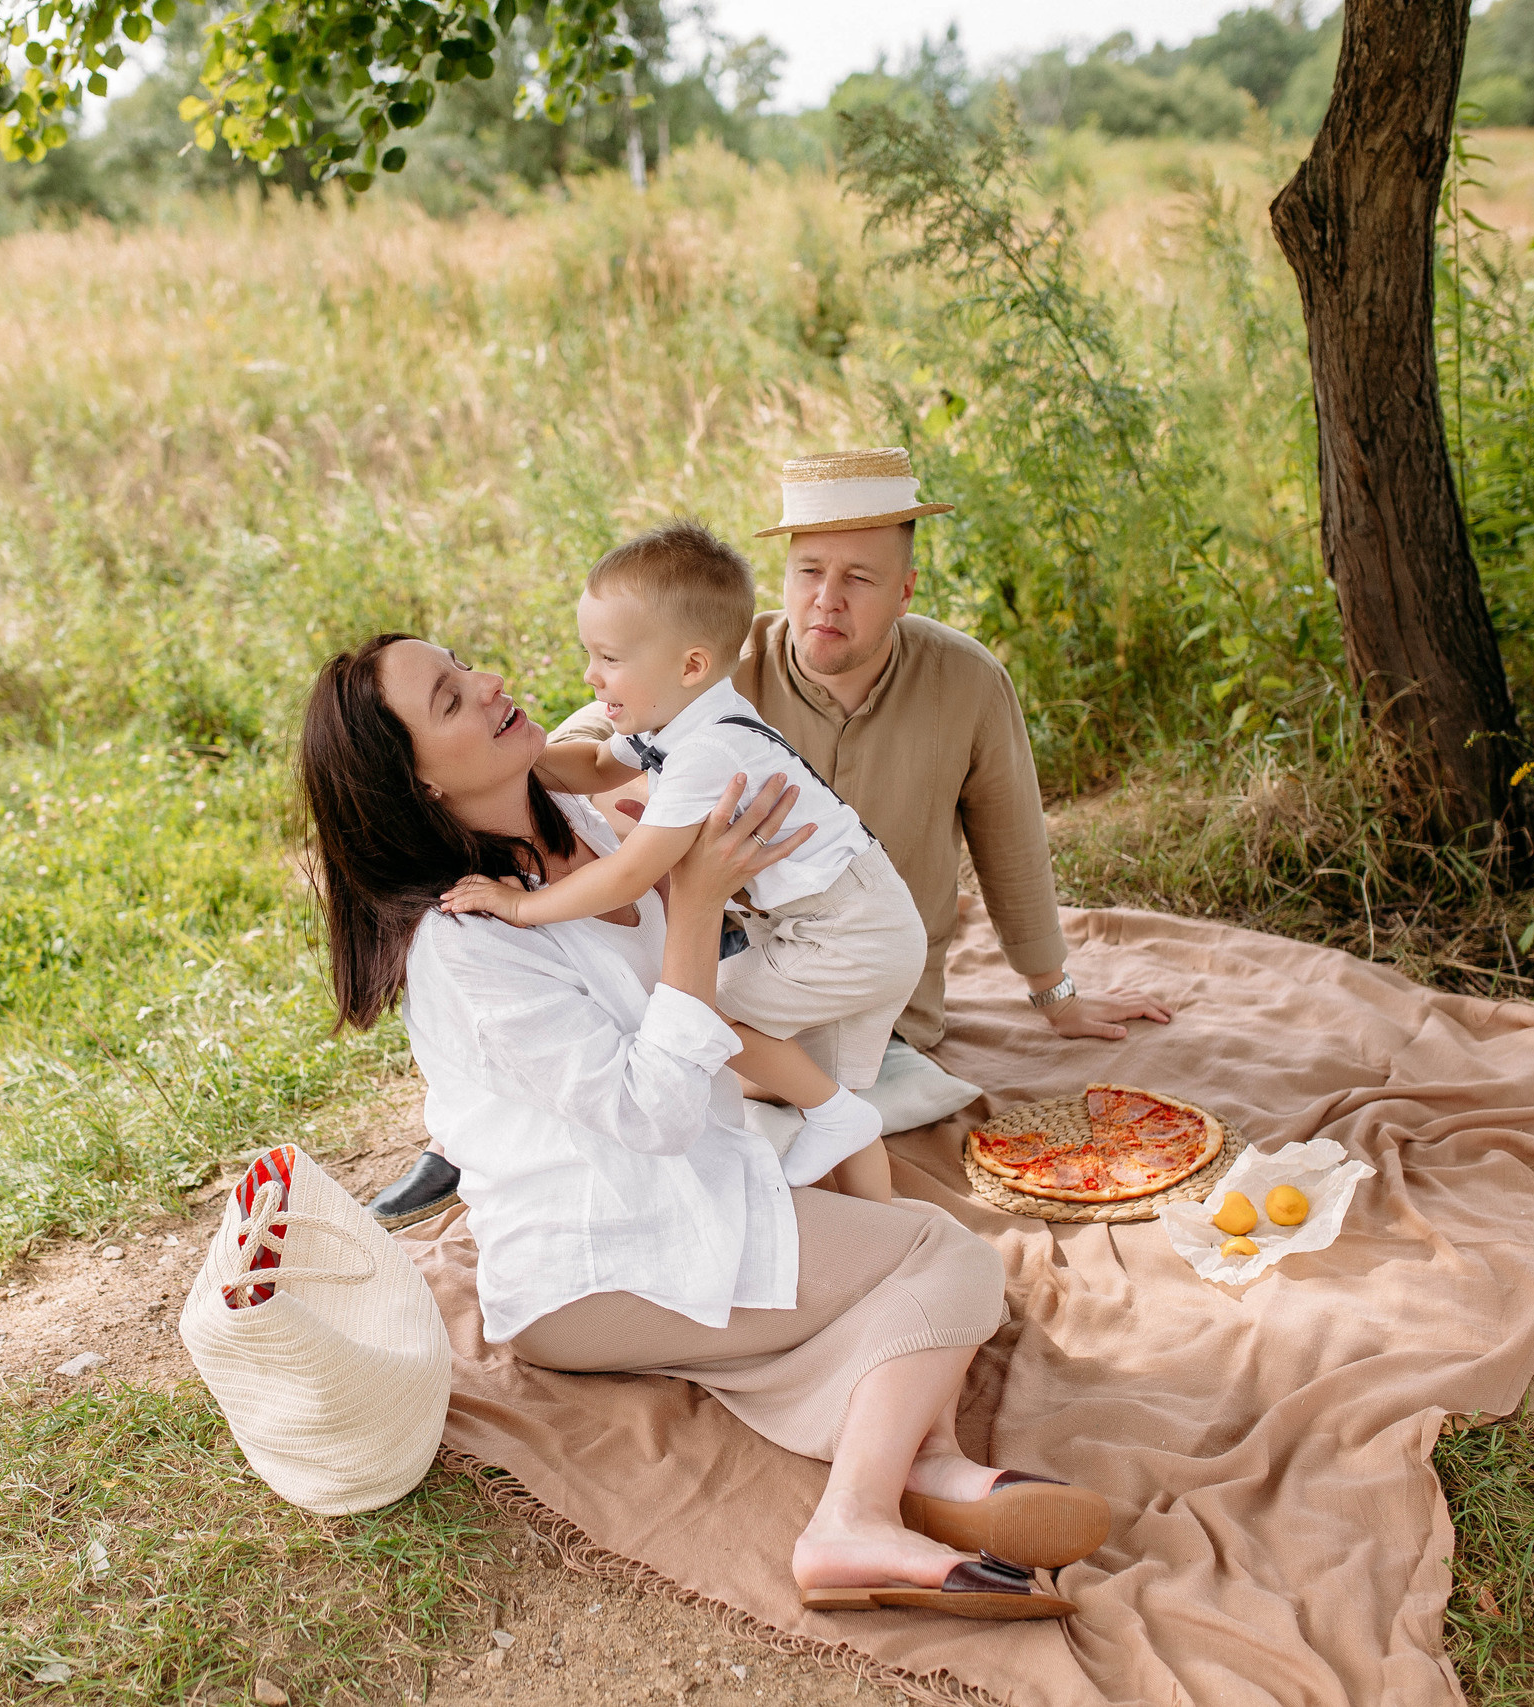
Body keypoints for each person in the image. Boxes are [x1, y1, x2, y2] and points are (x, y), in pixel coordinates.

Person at [299, 635, 1110, 1618]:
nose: (490, 685)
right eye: (450, 699)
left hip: (691, 1177)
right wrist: (695, 903)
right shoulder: (462, 950)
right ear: (415, 784)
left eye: (466, 666)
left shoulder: (572, 824)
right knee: (947, 1263)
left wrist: (818, 1085)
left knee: (876, 1288)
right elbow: (651, 1111)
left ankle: (931, 1471)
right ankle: (848, 1521)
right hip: (589, 1259)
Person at [368, 445, 1169, 1228]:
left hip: (870, 978)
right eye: (808, 571)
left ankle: (528, 1132)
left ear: (905, 590)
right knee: (736, 1078)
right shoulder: (724, 655)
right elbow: (598, 744)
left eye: (858, 578)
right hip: (773, 961)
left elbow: (1014, 847)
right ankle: (881, 1232)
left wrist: (1053, 990)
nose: (826, 599)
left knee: (690, 1036)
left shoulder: (963, 679)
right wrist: (496, 755)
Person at [438, 523, 924, 1202]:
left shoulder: (704, 754)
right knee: (823, 1092)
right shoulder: (688, 716)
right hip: (851, 917)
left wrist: (520, 905)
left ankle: (839, 1121)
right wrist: (522, 758)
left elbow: (633, 871)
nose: (590, 675)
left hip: (848, 929)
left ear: (690, 665)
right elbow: (601, 764)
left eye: (607, 657)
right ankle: (884, 1217)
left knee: (708, 1014)